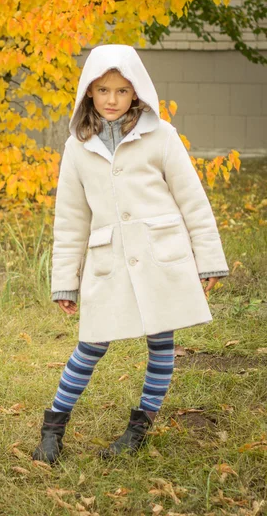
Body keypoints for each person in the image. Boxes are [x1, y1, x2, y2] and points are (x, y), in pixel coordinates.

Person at [32, 44, 229, 464]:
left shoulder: (162, 136)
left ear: (136, 92)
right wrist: (66, 280)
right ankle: (53, 427)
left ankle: (138, 428)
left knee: (162, 342)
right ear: (89, 92)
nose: (112, 99)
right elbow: (70, 219)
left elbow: (192, 200)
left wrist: (208, 258)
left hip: (161, 256)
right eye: (103, 90)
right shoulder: (78, 147)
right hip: (109, 260)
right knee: (91, 344)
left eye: (122, 91)